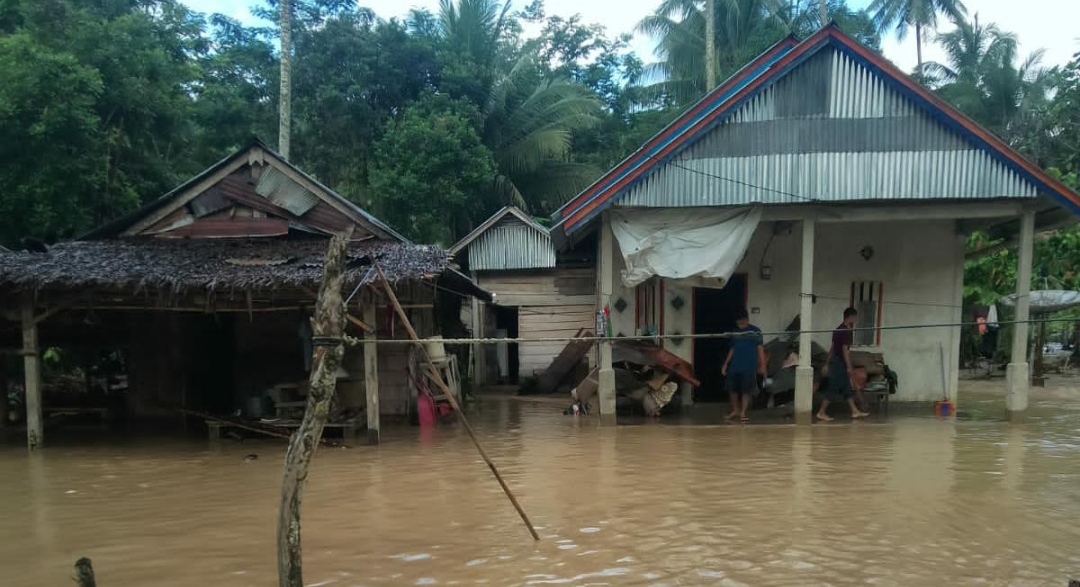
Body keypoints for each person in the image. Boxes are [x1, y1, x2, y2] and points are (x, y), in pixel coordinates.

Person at [817, 307, 870, 421]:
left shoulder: (838, 329)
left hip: (835, 361)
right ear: (850, 317)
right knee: (833, 388)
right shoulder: (845, 331)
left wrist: (827, 363)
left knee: (846, 387)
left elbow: (832, 348)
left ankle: (855, 411)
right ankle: (821, 412)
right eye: (855, 317)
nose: (856, 319)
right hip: (839, 364)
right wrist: (849, 366)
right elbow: (844, 350)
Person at [721, 308, 766, 422]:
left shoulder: (755, 331)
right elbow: (732, 349)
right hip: (735, 365)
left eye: (743, 322)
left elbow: (760, 349)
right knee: (732, 389)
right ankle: (736, 410)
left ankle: (743, 412)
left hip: (749, 366)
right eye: (738, 323)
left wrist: (762, 365)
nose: (741, 325)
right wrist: (726, 364)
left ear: (747, 319)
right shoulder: (735, 332)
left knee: (746, 390)